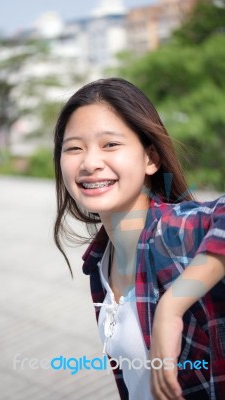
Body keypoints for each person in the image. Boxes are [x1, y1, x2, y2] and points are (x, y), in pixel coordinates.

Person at [53, 78, 225, 400]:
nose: (90, 163)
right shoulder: (100, 263)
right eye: (74, 148)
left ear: (150, 159)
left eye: (110, 145)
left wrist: (171, 306)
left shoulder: (174, 234)